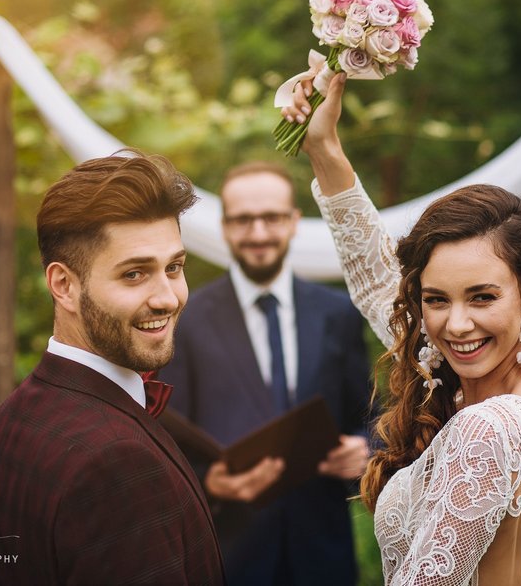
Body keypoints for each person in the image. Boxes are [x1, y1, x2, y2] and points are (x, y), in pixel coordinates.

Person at [281, 74, 521, 585]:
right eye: (435, 300)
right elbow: (377, 282)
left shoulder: (490, 428)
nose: (455, 325)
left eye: (482, 297)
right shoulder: (499, 387)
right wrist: (324, 148)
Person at [0, 152, 225, 585]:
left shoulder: (15, 413)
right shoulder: (117, 465)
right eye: (134, 274)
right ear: (64, 285)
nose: (167, 297)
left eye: (174, 267)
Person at [158, 161, 372, 586]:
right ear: (224, 226)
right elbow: (167, 440)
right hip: (230, 557)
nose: (258, 233)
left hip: (323, 555)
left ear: (294, 222)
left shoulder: (339, 314)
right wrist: (209, 483)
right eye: (243, 220)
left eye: (271, 218)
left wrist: (365, 448)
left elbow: (369, 414)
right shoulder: (185, 319)